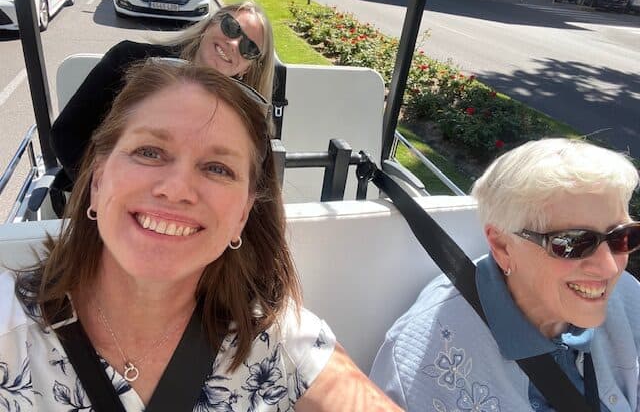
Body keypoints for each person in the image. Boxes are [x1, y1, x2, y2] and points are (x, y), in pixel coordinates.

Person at [2, 60, 402, 411]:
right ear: (98, 179)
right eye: (150, 152)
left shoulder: (282, 341)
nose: (176, 189)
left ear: (242, 214)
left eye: (217, 169)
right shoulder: (9, 328)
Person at [370, 138, 640, 411]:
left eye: (623, 236)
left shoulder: (629, 298)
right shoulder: (419, 361)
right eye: (572, 243)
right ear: (502, 246)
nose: (609, 267)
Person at [51, 0, 275, 186]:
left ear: (248, 67)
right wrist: (105, 193)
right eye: (231, 28)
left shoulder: (246, 117)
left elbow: (251, 184)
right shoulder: (129, 60)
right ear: (210, 25)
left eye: (250, 48)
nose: (234, 43)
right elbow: (67, 134)